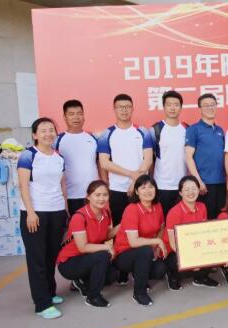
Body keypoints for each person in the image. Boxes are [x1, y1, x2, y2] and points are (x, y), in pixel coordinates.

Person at [18, 117, 68, 319]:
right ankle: (42, 304)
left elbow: (62, 185)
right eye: (43, 130)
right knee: (37, 258)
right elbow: (23, 186)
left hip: (56, 211)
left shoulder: (58, 157)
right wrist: (30, 212)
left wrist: (65, 210)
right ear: (35, 135)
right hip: (35, 213)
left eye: (51, 130)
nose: (48, 134)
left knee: (50, 256)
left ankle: (49, 292)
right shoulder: (28, 155)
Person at [57, 180, 118, 308]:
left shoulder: (105, 213)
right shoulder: (79, 217)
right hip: (69, 262)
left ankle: (81, 281)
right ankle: (93, 297)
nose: (102, 198)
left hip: (87, 258)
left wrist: (123, 225)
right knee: (103, 255)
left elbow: (105, 235)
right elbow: (82, 247)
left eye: (105, 195)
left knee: (111, 275)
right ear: (88, 196)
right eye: (97, 195)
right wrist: (107, 247)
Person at [98, 94, 153, 227]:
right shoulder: (106, 134)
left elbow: (148, 159)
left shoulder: (143, 132)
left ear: (132, 109)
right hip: (117, 189)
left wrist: (136, 180)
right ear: (114, 109)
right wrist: (131, 174)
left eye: (127, 107)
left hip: (141, 189)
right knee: (120, 227)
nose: (124, 110)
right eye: (120, 107)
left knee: (143, 226)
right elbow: (104, 162)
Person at [113, 175, 167, 306]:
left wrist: (156, 246)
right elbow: (133, 242)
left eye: (151, 187)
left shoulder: (157, 206)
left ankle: (139, 274)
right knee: (145, 251)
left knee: (160, 269)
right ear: (136, 192)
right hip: (124, 253)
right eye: (143, 188)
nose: (148, 190)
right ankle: (139, 293)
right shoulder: (132, 209)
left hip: (145, 250)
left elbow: (161, 227)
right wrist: (157, 242)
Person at [164, 176, 220, 289]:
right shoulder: (174, 212)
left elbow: (204, 233)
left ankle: (201, 277)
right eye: (187, 189)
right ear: (180, 193)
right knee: (180, 262)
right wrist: (191, 257)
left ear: (199, 190)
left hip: (195, 245)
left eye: (194, 188)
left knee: (214, 258)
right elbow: (173, 244)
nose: (191, 192)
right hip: (174, 250)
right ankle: (173, 275)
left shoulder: (202, 207)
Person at [55, 99, 103, 216]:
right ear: (65, 117)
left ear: (84, 116)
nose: (76, 117)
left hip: (93, 195)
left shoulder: (94, 138)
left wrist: (104, 185)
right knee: (74, 226)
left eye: (79, 113)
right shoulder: (57, 140)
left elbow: (100, 163)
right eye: (71, 114)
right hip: (70, 196)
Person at [185, 93, 226, 220]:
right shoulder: (193, 129)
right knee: (206, 221)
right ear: (200, 109)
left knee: (221, 219)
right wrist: (198, 181)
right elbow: (188, 157)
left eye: (212, 105)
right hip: (205, 185)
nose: (210, 108)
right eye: (206, 105)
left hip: (221, 183)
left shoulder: (220, 130)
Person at [150, 91, 188, 216]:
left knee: (182, 222)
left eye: (176, 105)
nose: (172, 108)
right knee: (163, 221)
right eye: (169, 104)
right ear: (164, 107)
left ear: (181, 107)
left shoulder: (187, 129)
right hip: (162, 185)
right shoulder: (156, 129)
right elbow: (149, 158)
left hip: (183, 186)